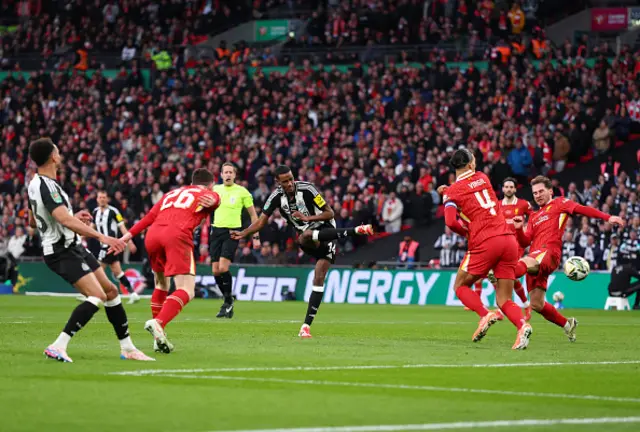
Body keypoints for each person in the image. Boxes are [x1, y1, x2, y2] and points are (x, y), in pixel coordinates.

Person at [26, 138, 153, 363]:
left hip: (71, 246)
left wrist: (72, 219)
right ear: (53, 157)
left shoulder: (36, 183)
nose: (60, 154)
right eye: (58, 151)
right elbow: (61, 219)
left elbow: (34, 221)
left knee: (111, 291)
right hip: (60, 251)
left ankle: (128, 348)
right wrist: (100, 236)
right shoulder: (46, 185)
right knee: (97, 296)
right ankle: (58, 345)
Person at [230, 165, 374, 338]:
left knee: (316, 269)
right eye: (285, 181)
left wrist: (308, 218)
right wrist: (244, 233)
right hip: (308, 239)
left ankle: (305, 326)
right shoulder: (275, 197)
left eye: (291, 179)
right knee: (308, 249)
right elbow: (261, 222)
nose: (290, 183)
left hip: (326, 229)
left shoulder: (308, 189)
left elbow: (330, 213)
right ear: (278, 182)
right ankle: (355, 230)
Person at [438, 149, 532, 350]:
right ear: (471, 165)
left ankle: (484, 314)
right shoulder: (483, 177)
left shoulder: (453, 191)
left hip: (484, 241)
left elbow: (450, 221)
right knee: (504, 299)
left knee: (460, 286)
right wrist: (448, 193)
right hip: (508, 240)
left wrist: (467, 233)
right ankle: (522, 325)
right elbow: (471, 196)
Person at [118, 169, 220, 354]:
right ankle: (158, 323)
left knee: (161, 283)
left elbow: (148, 218)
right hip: (176, 234)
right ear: (210, 184)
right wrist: (215, 199)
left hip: (152, 235)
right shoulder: (207, 193)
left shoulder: (171, 194)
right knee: (187, 289)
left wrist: (125, 237)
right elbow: (214, 199)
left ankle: (159, 338)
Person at [512, 175, 625, 341]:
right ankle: (567, 324)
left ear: (550, 191)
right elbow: (525, 240)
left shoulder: (560, 203)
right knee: (536, 304)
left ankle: (502, 273)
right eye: (535, 193)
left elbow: (583, 209)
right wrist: (518, 229)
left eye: (541, 191)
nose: (537, 195)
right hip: (535, 257)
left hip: (548, 253)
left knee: (522, 262)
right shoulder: (534, 216)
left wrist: (608, 218)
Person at [210, 162, 260, 319]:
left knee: (224, 267)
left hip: (232, 233)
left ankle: (227, 302)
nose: (228, 174)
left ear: (235, 175)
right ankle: (228, 300)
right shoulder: (215, 190)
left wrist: (256, 236)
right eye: (226, 172)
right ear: (221, 174)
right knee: (215, 270)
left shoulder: (242, 192)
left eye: (231, 172)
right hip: (216, 232)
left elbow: (253, 215)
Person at [92, 191, 140, 304]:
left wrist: (130, 242)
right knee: (118, 272)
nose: (102, 199)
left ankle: (93, 295)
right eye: (100, 197)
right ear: (97, 199)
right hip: (103, 246)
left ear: (107, 199)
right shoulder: (95, 212)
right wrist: (80, 235)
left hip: (110, 246)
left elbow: (122, 228)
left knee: (97, 270)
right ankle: (133, 294)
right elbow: (91, 227)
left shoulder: (114, 211)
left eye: (104, 197)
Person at [496, 177, 533, 320]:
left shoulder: (523, 204)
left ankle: (505, 308)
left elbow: (534, 217)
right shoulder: (498, 205)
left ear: (515, 189)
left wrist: (527, 230)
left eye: (511, 187)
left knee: (508, 274)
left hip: (516, 245)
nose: (509, 189)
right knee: (504, 276)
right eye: (506, 187)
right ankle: (524, 304)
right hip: (501, 245)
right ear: (503, 189)